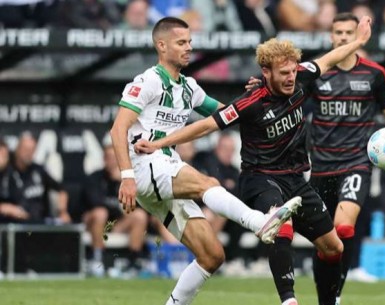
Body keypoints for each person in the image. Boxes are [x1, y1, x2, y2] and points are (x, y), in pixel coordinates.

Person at [135, 15, 373, 305]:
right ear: (265, 72)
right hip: (261, 179)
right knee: (279, 226)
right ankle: (288, 301)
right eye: (283, 73)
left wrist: (359, 42)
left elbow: (329, 58)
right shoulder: (250, 102)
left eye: (292, 71)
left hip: (296, 179)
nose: (290, 78)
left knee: (333, 247)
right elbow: (206, 125)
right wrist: (160, 143)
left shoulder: (301, 77)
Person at [110, 17, 300, 305]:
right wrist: (126, 176)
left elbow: (228, 114)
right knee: (206, 183)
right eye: (181, 43)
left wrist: (262, 93)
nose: (189, 48)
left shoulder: (189, 87)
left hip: (164, 170)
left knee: (212, 256)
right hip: (145, 164)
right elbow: (118, 128)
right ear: (161, 46)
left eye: (189, 42)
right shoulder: (148, 81)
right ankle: (259, 223)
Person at [306, 12, 385, 301]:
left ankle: (336, 294)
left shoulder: (375, 74)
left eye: (348, 32)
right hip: (321, 166)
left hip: (356, 162)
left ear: (357, 36)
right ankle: (327, 298)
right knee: (325, 241)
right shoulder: (317, 73)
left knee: (343, 227)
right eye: (338, 32)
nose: (342, 37)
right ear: (330, 36)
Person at [83, 144, 149, 277]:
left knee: (140, 216)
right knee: (100, 213)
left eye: (115, 158)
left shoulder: (128, 180)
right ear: (104, 159)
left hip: (116, 224)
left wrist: (120, 183)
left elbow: (140, 206)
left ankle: (133, 262)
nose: (112, 161)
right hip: (95, 224)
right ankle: (97, 259)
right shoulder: (95, 178)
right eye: (109, 157)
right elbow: (95, 203)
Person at [6, 132, 70, 224]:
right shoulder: (7, 172)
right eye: (26, 149)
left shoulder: (38, 170)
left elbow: (61, 189)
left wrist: (62, 211)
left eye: (32, 150)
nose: (28, 153)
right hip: (16, 223)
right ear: (18, 149)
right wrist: (9, 209)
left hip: (41, 223)